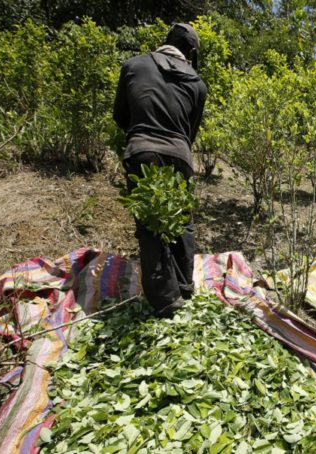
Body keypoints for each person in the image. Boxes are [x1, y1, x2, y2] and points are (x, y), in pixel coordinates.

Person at [113, 24, 208, 317]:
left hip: (141, 149)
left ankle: (166, 300)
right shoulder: (197, 84)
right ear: (190, 53)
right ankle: (183, 284)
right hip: (180, 155)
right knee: (182, 220)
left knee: (151, 225)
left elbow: (120, 115)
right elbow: (189, 132)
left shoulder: (134, 65)